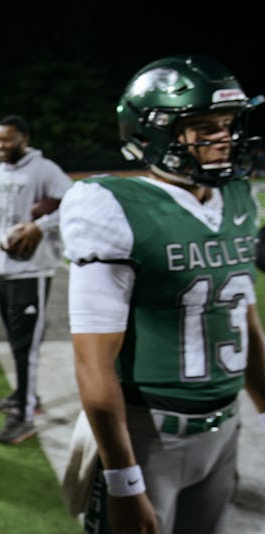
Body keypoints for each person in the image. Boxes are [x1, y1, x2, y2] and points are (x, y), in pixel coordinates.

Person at [59, 54, 265, 533]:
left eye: (229, 123)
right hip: (149, 438)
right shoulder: (112, 207)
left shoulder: (236, 197)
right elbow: (93, 362)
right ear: (153, 134)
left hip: (224, 431)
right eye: (204, 126)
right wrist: (123, 482)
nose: (225, 138)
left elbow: (245, 324)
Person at [0, 114, 73, 445]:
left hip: (33, 272)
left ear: (24, 138)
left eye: (7, 140)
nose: (1, 146)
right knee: (15, 340)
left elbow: (73, 202)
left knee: (26, 345)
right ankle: (26, 395)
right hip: (4, 270)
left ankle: (25, 416)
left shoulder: (45, 170)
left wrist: (41, 226)